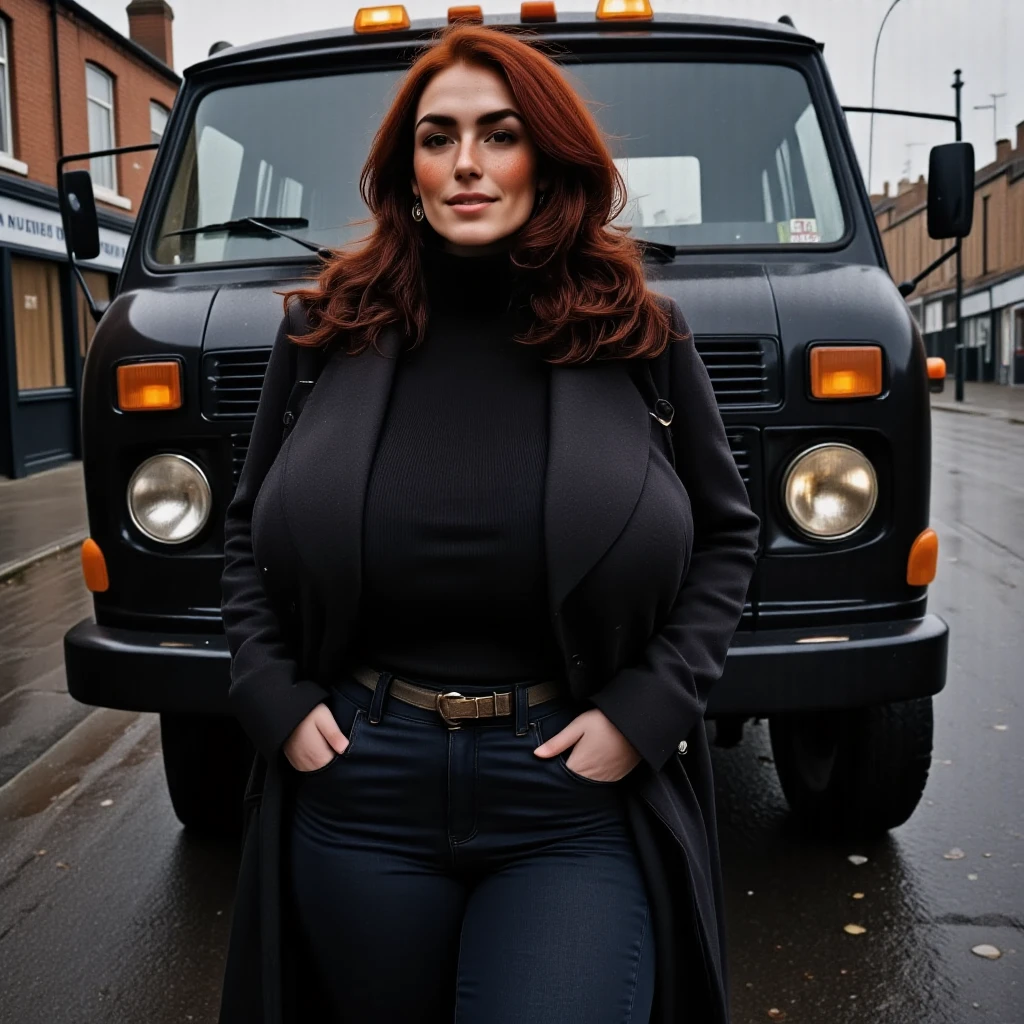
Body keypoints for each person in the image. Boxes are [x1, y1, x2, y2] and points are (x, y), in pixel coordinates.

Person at [218, 23, 760, 1024]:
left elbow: (728, 538)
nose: (465, 162)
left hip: (566, 798)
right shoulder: (324, 331)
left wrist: (648, 711)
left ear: (547, 158)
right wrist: (275, 701)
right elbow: (247, 533)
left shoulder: (640, 333)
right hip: (358, 796)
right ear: (406, 169)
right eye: (437, 137)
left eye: (499, 133)